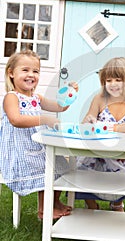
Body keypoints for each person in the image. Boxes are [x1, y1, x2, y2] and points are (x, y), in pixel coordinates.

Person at [0, 50, 78, 220]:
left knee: (62, 166)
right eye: (25, 70)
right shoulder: (11, 97)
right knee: (46, 169)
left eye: (35, 71)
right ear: (11, 73)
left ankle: (54, 203)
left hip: (36, 148)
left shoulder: (36, 97)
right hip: (19, 153)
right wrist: (43, 119)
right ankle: (44, 209)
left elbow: (60, 106)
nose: (31, 75)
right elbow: (16, 120)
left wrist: (70, 94)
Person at [76, 57, 125, 212]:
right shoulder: (99, 99)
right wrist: (89, 121)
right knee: (80, 164)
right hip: (98, 150)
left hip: (121, 152)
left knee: (122, 172)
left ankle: (117, 203)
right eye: (108, 80)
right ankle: (91, 203)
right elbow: (87, 122)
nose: (112, 84)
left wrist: (105, 127)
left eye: (118, 80)